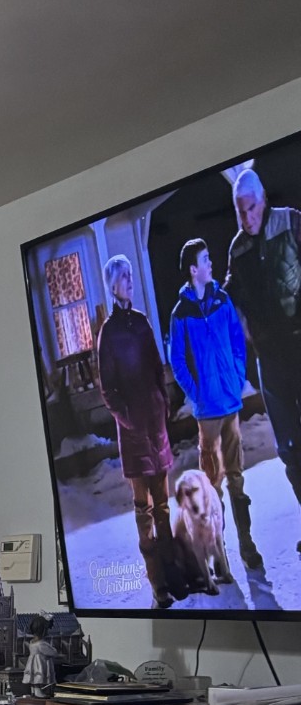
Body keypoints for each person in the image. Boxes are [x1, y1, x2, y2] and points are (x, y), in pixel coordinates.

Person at [168, 237, 260, 571]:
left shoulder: (222, 300)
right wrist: (196, 393)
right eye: (205, 259)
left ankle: (247, 544)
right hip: (207, 411)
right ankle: (219, 555)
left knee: (237, 477)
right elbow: (177, 360)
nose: (211, 263)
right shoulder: (181, 313)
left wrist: (237, 376)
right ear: (194, 270)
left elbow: (237, 339)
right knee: (212, 485)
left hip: (230, 403)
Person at [94, 254, 177, 605]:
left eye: (131, 275)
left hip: (155, 425)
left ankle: (172, 571)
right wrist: (129, 419)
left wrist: (162, 401)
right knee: (144, 510)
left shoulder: (142, 322)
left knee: (164, 506)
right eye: (124, 276)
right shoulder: (109, 332)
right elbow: (107, 389)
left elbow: (157, 366)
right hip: (133, 433)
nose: (130, 281)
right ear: (113, 285)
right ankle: (157, 580)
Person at [226, 166, 301, 549]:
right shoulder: (238, 249)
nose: (247, 217)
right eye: (240, 211)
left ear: (263, 201)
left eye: (251, 208)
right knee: (289, 447)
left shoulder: (291, 223)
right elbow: (230, 296)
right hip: (271, 360)